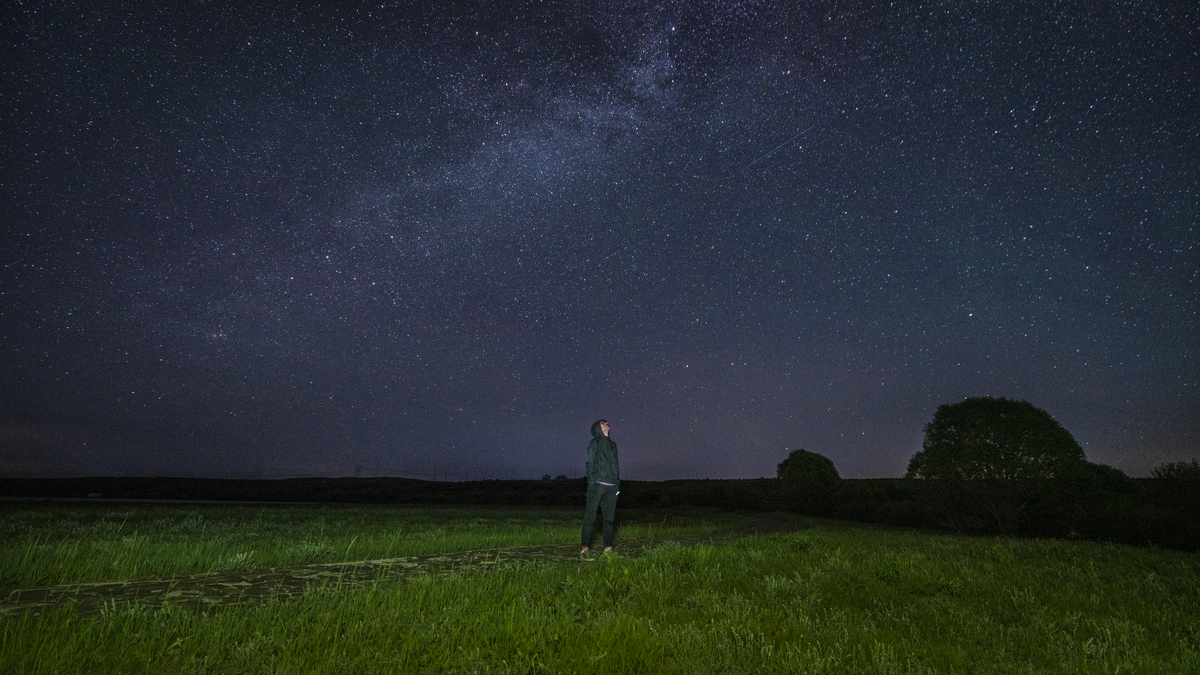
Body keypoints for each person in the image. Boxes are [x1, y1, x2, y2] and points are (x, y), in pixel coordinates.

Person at [580, 419, 620, 559]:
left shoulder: (613, 445)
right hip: (597, 485)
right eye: (603, 422)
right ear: (598, 427)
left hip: (611, 487)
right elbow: (589, 463)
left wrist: (617, 485)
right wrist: (592, 483)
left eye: (607, 422)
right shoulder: (594, 443)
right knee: (590, 518)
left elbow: (616, 465)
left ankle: (608, 550)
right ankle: (584, 549)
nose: (607, 423)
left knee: (609, 520)